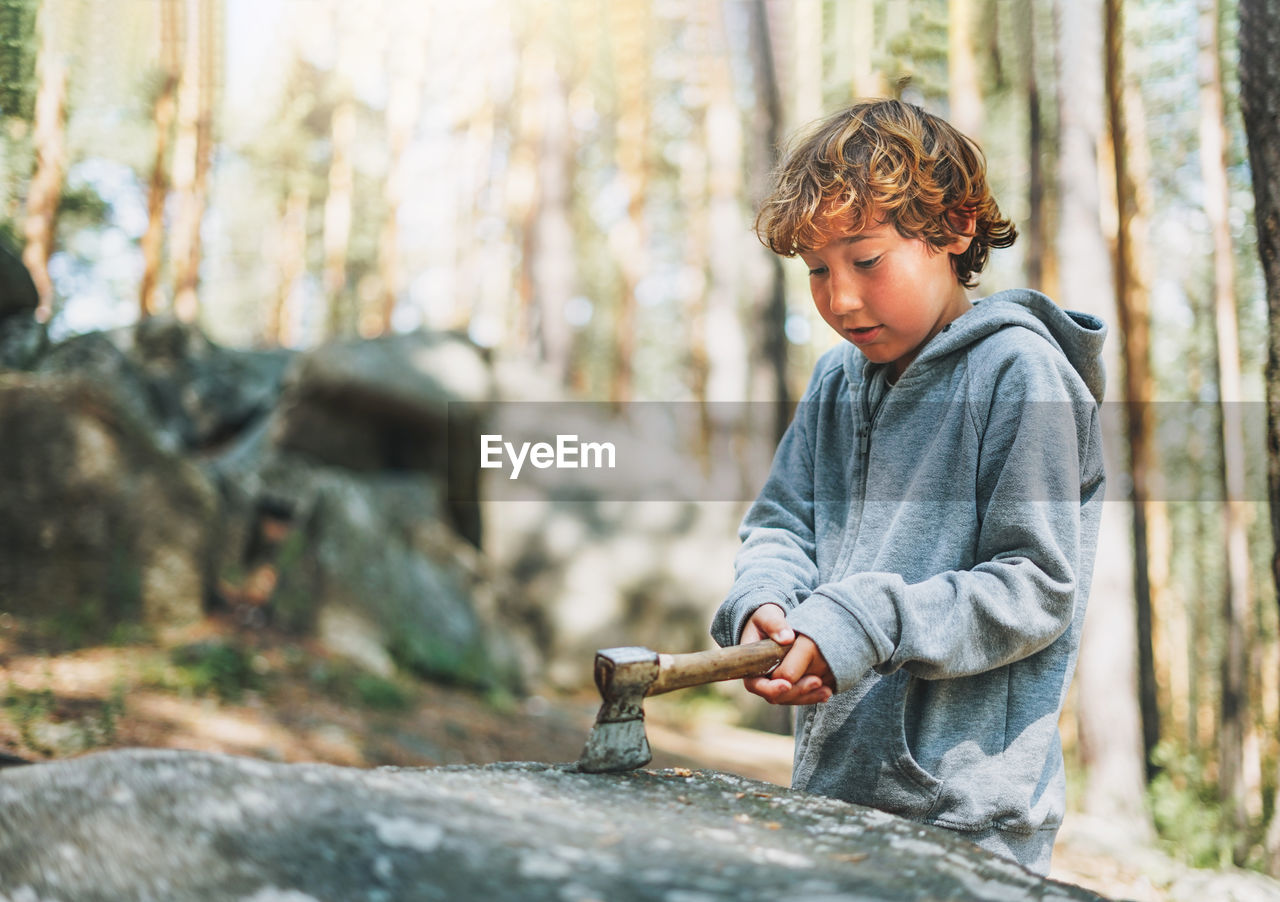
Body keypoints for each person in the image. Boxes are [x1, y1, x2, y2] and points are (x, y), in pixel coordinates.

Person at [710, 99, 1106, 874]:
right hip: (832, 792)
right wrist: (766, 603)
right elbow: (782, 524)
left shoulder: (1022, 374)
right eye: (818, 271)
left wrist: (868, 618)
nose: (840, 299)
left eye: (865, 261)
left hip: (967, 824)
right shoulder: (835, 382)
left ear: (955, 229)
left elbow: (1036, 587)